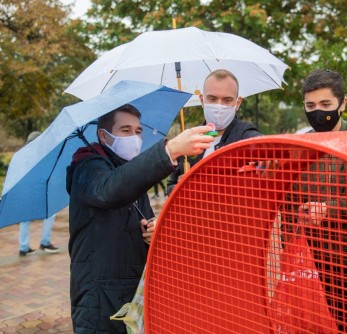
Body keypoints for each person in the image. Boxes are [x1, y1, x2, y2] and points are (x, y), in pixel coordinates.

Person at [66, 104, 215, 333]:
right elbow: (109, 190)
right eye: (125, 130)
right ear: (103, 135)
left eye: (137, 131)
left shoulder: (130, 171)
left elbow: (140, 215)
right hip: (98, 300)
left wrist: (152, 230)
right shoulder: (87, 166)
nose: (134, 137)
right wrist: (170, 150)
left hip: (132, 293)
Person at [282, 69, 347, 333]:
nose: (318, 112)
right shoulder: (299, 147)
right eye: (310, 106)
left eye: (326, 104)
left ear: (343, 104)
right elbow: (289, 205)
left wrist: (329, 210)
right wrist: (289, 256)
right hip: (313, 265)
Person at [166, 69, 262, 194]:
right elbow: (170, 185)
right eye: (212, 99)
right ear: (202, 100)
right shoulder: (190, 140)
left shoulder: (245, 136)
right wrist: (181, 189)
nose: (219, 106)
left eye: (227, 100)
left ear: (237, 103)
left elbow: (267, 154)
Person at [18, 131, 59, 256]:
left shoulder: (22, 156)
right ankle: (44, 242)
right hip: (35, 190)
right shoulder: (36, 155)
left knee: (26, 219)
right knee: (50, 213)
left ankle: (24, 248)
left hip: (28, 190)